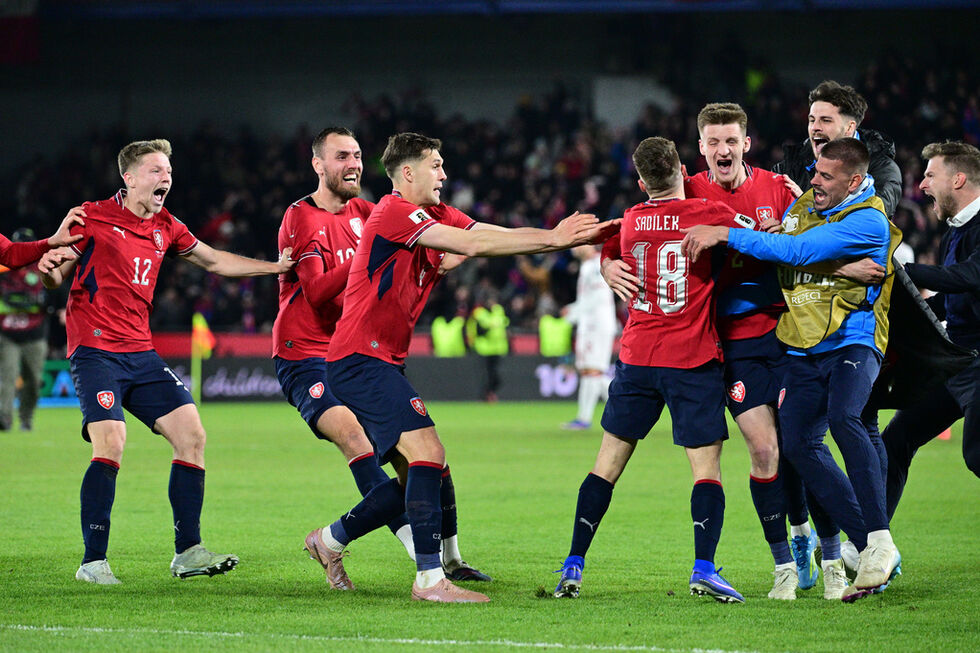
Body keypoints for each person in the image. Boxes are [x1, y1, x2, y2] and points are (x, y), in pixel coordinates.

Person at [308, 131, 614, 603]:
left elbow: (486, 236)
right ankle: (429, 580)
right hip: (359, 357)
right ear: (407, 173)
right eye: (436, 165)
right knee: (427, 452)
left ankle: (331, 541)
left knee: (425, 470)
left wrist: (554, 239)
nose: (444, 174)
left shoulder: (435, 214)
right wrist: (553, 238)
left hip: (379, 358)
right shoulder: (392, 213)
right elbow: (466, 245)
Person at [39, 138, 295, 585]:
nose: (166, 179)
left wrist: (274, 267)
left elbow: (214, 260)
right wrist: (49, 271)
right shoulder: (92, 216)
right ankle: (92, 562)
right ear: (130, 177)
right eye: (156, 170)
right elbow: (57, 273)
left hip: (140, 352)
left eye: (169, 173)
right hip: (95, 349)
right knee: (112, 441)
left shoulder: (167, 225)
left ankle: (188, 552)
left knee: (192, 435)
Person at [682, 137, 903, 603]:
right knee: (797, 444)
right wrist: (842, 268)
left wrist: (725, 234)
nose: (814, 181)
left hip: (853, 339)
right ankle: (863, 544)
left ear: (855, 181)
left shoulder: (867, 218)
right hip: (802, 346)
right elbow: (784, 251)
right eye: (815, 172)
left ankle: (879, 541)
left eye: (825, 176)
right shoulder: (805, 203)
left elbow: (797, 252)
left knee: (846, 419)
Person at [274, 127, 487, 583]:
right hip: (305, 352)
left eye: (356, 155)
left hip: (358, 349)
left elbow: (425, 250)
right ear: (318, 164)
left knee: (421, 463)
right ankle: (420, 554)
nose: (352, 163)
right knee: (359, 440)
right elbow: (313, 291)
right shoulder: (301, 217)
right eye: (341, 156)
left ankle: (337, 541)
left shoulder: (369, 212)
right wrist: (370, 256)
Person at [554, 136, 756, 604]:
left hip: (637, 358)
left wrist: (607, 266)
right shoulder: (708, 213)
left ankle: (573, 564)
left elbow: (606, 245)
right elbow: (761, 239)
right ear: (683, 169)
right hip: (692, 358)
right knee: (706, 471)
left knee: (605, 465)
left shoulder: (628, 222)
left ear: (641, 180)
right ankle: (703, 569)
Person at [883, 141, 980, 515]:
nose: (921, 185)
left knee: (976, 456)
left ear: (957, 179)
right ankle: (874, 545)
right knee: (897, 438)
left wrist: (902, 272)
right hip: (957, 362)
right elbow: (950, 299)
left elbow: (970, 276)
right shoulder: (956, 230)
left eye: (929, 175)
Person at [774, 80, 901, 217]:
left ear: (849, 127)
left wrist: (806, 206)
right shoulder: (790, 167)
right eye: (812, 120)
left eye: (826, 120)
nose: (815, 127)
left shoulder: (882, 169)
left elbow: (867, 222)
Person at [560, 244, 617, 430]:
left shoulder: (597, 265)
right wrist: (574, 310)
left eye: (579, 244)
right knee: (588, 371)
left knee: (593, 370)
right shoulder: (587, 265)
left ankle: (586, 418)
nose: (575, 248)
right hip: (589, 324)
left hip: (597, 324)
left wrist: (573, 313)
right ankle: (585, 417)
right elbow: (588, 299)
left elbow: (598, 297)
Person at [0, 229, 52, 431]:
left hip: (35, 334)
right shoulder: (3, 270)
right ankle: (4, 419)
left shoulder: (43, 269)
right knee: (7, 376)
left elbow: (58, 294)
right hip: (6, 334)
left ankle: (26, 417)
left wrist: (57, 307)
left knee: (34, 380)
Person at [465, 293, 509, 402]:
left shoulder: (499, 311)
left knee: (496, 376)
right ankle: (487, 396)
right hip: (483, 349)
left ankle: (490, 394)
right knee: (486, 376)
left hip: (498, 348)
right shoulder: (479, 313)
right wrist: (490, 327)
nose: (492, 303)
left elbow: (504, 326)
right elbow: (478, 331)